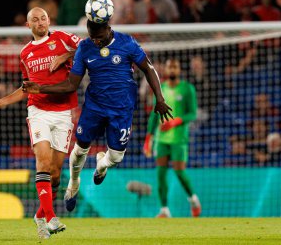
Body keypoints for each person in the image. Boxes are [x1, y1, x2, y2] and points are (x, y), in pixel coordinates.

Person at [22, 19, 173, 213]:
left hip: (122, 109)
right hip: (95, 107)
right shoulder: (85, 47)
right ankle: (73, 184)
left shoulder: (127, 43)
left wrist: (159, 98)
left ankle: (102, 165)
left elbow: (148, 68)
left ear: (108, 30)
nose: (96, 42)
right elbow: (71, 85)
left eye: (99, 38)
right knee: (79, 148)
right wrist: (41, 88)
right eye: (92, 38)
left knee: (116, 158)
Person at [0, 7, 81, 240]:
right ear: (28, 25)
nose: (40, 22)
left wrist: (66, 56)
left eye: (43, 18)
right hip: (38, 111)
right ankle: (50, 217)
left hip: (64, 112)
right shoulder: (25, 53)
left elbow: (89, 49)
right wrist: (4, 101)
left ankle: (39, 215)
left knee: (56, 174)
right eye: (35, 20)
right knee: (43, 162)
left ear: (49, 20)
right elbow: (26, 88)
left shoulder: (63, 39)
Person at [143, 58, 201, 218]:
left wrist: (175, 122)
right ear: (166, 70)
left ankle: (193, 199)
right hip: (161, 140)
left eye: (175, 67)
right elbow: (154, 115)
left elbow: (193, 113)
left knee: (179, 172)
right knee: (160, 174)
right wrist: (149, 137)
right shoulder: (160, 89)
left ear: (179, 70)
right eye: (170, 67)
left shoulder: (187, 89)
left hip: (179, 140)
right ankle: (164, 209)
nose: (172, 70)